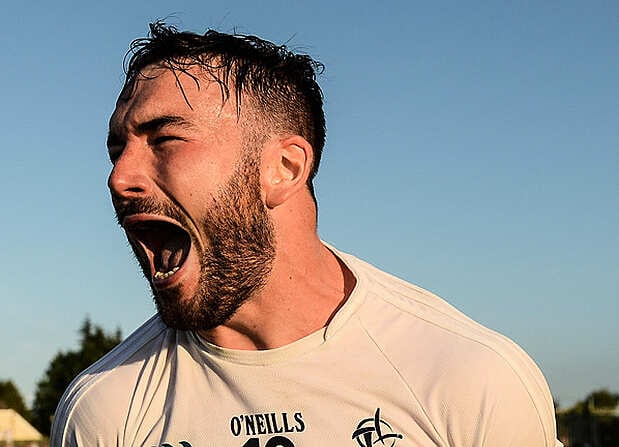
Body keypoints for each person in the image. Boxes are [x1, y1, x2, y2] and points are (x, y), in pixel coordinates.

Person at [52, 22, 562, 447]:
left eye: (164, 138)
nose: (119, 177)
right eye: (117, 149)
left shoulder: (470, 381)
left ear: (284, 167)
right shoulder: (105, 408)